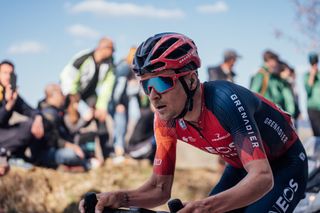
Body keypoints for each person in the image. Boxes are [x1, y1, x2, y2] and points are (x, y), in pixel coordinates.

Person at [79, 33, 308, 213]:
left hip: (284, 165)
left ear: (190, 79)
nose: (152, 94)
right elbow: (159, 189)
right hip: (240, 168)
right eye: (145, 85)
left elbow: (262, 177)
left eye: (160, 83)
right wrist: (120, 197)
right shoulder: (165, 120)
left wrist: (206, 206)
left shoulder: (224, 101)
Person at [60, 37, 116, 159]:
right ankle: (69, 147)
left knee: (100, 119)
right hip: (72, 94)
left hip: (90, 95)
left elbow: (107, 86)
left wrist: (101, 106)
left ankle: (106, 153)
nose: (113, 53)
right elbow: (67, 76)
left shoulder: (110, 64)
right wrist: (73, 100)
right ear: (102, 48)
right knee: (74, 119)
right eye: (111, 49)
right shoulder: (83, 58)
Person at [31, 84, 94, 170]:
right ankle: (85, 165)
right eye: (61, 93)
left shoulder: (56, 111)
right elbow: (53, 140)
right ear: (53, 95)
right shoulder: (48, 114)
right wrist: (72, 146)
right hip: (46, 152)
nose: (63, 96)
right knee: (73, 155)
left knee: (83, 150)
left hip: (56, 149)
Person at [0, 60, 44, 176]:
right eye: (5, 73)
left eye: (11, 73)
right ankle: (6, 157)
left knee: (30, 124)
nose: (8, 76)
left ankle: (17, 157)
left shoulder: (12, 94)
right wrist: (8, 105)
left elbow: (31, 110)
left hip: (4, 134)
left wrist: (38, 119)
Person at [304, 52, 320, 136]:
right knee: (318, 133)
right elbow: (308, 90)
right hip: (313, 108)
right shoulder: (307, 75)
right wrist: (312, 75)